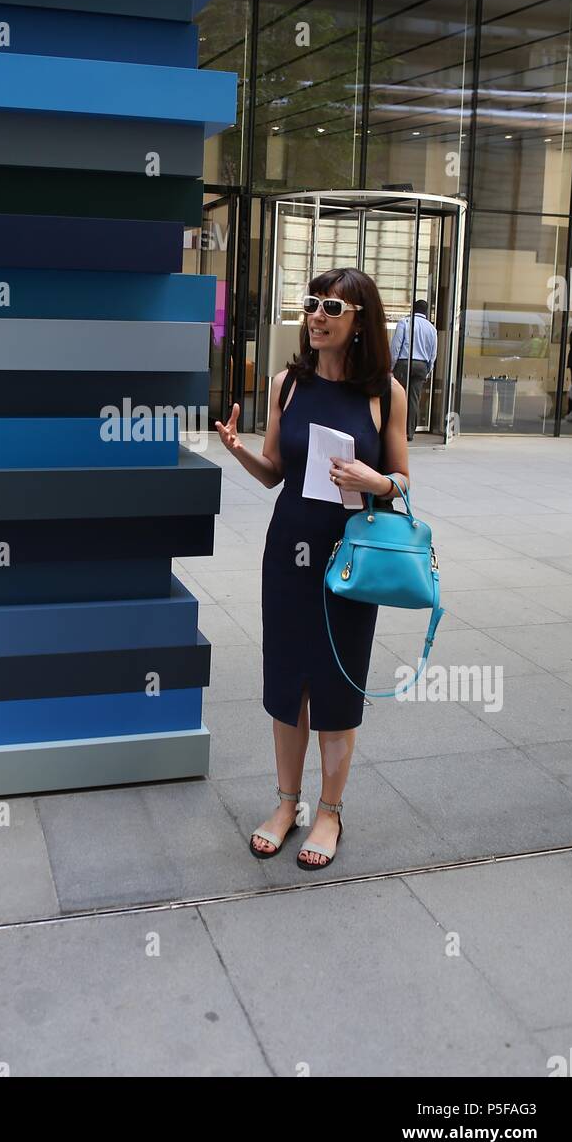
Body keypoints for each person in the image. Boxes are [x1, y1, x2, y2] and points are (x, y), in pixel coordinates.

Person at [216, 268, 409, 870]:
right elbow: (276, 470)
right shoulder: (286, 385)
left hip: (351, 556)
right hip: (290, 551)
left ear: (359, 322)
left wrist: (374, 481)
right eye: (311, 303)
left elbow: (402, 482)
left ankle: (329, 813)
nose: (317, 315)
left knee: (337, 681)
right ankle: (285, 805)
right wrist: (239, 450)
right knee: (287, 680)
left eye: (332, 307)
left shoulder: (386, 395)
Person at [391, 299, 437, 440]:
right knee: (413, 399)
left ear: (413, 309)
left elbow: (396, 347)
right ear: (425, 311)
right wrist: (428, 369)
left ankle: (395, 431)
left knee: (397, 397)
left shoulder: (405, 323)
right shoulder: (431, 328)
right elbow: (433, 353)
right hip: (421, 366)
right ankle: (409, 433)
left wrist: (391, 367)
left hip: (404, 363)